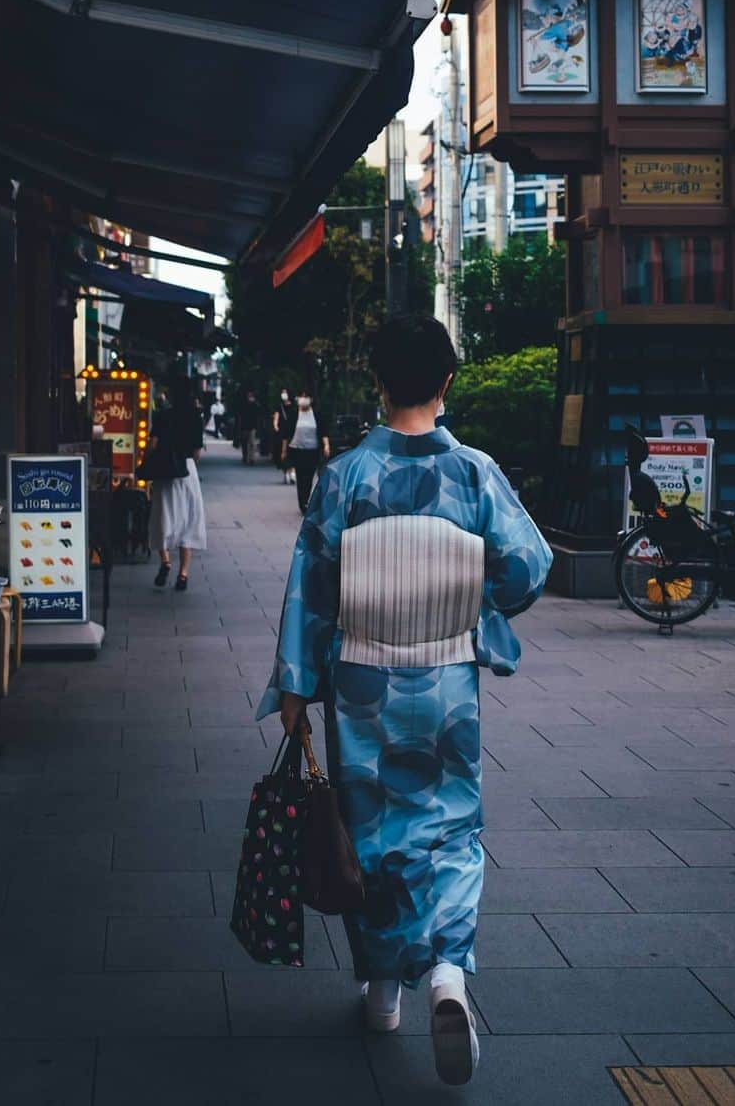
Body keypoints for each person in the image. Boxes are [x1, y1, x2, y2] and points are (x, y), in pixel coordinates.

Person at [256, 316, 553, 1087]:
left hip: (361, 682)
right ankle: (449, 973)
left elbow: (312, 586)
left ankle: (383, 991)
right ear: (448, 381)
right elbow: (527, 567)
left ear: (379, 381)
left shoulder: (346, 477)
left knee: (370, 831)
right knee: (449, 825)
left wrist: (296, 683)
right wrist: (470, 600)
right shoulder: (476, 473)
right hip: (446, 679)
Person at [148, 377, 207, 593]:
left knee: (162, 517)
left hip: (165, 471)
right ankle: (183, 574)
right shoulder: (195, 417)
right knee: (188, 520)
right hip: (187, 470)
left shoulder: (163, 415)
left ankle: (165, 561)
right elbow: (197, 453)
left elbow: (153, 444)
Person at [285, 391, 330, 512]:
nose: (304, 399)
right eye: (302, 396)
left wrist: (326, 445)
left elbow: (323, 431)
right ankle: (302, 502)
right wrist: (284, 450)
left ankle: (306, 499)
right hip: (298, 450)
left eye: (306, 396)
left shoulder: (316, 414)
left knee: (309, 477)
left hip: (312, 450)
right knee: (300, 477)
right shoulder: (294, 414)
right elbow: (287, 433)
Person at [272, 388, 296, 485]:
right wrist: (276, 426)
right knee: (282, 453)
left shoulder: (294, 407)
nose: (284, 395)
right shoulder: (280, 407)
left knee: (293, 452)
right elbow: (276, 418)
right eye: (282, 393)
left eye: (285, 393)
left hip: (292, 432)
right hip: (282, 433)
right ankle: (286, 472)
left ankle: (292, 472)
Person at [235, 390, 262, 464]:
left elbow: (258, 416)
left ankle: (251, 458)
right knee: (245, 442)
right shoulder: (243, 405)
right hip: (244, 427)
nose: (251, 398)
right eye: (249, 396)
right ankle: (245, 456)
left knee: (252, 443)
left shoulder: (256, 405)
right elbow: (240, 416)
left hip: (252, 427)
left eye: (252, 396)